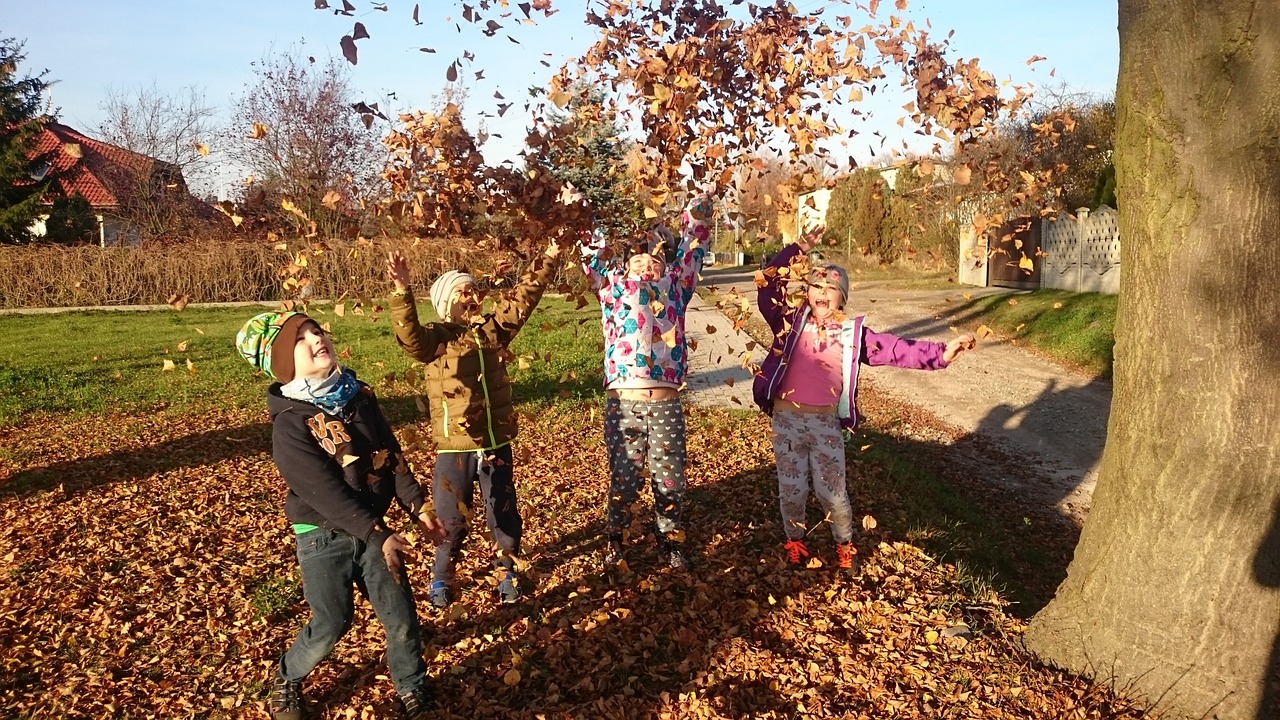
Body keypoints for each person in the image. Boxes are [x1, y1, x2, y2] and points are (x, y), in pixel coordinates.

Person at [235, 310, 445, 720]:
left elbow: (390, 454)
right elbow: (324, 493)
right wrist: (376, 532)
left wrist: (417, 504)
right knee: (332, 622)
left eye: (316, 330)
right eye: (301, 338)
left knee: (400, 613)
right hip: (321, 534)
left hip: (373, 529)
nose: (316, 338)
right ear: (281, 361)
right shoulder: (290, 424)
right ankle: (288, 676)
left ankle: (412, 685)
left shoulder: (359, 397)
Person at [752, 227, 975, 569]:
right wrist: (799, 248)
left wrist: (942, 353)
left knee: (832, 493)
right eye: (817, 287)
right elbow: (767, 285)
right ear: (807, 292)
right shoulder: (788, 322)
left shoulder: (852, 334)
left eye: (832, 289)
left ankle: (844, 545)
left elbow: (896, 350)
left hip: (825, 423)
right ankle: (794, 541)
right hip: (787, 422)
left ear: (842, 298)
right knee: (791, 489)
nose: (823, 293)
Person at [386, 238, 563, 608]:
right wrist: (402, 291)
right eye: (461, 292)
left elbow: (523, 300)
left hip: (495, 443)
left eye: (474, 290)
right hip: (455, 447)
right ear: (444, 303)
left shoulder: (490, 332)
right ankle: (442, 576)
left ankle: (508, 569)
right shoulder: (436, 340)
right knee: (450, 518)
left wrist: (548, 256)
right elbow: (410, 338)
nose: (471, 297)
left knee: (503, 509)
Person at [580, 193, 712, 570]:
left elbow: (691, 252)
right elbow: (592, 257)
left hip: (665, 402)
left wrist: (698, 212)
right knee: (625, 478)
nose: (647, 265)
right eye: (639, 258)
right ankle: (615, 540)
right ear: (626, 264)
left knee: (670, 480)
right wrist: (579, 211)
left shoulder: (675, 288)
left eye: (655, 259)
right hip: (624, 403)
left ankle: (669, 539)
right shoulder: (612, 290)